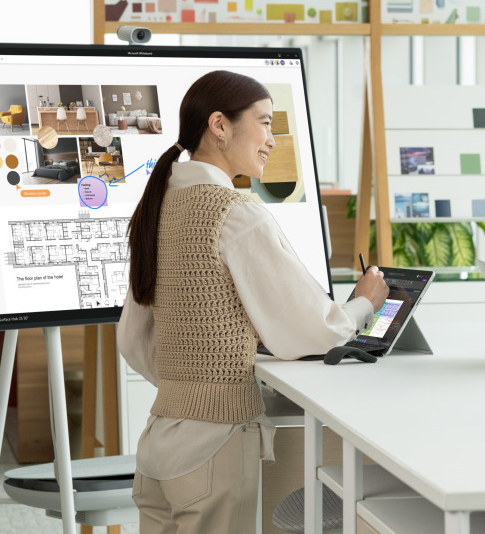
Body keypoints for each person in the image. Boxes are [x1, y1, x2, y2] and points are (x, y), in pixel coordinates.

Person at [117, 70, 389, 534]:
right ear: (219, 125)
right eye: (264, 123)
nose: (272, 140)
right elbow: (313, 329)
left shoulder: (162, 205)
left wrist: (192, 381)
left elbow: (134, 337)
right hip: (213, 450)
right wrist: (364, 304)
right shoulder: (235, 213)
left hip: (160, 443)